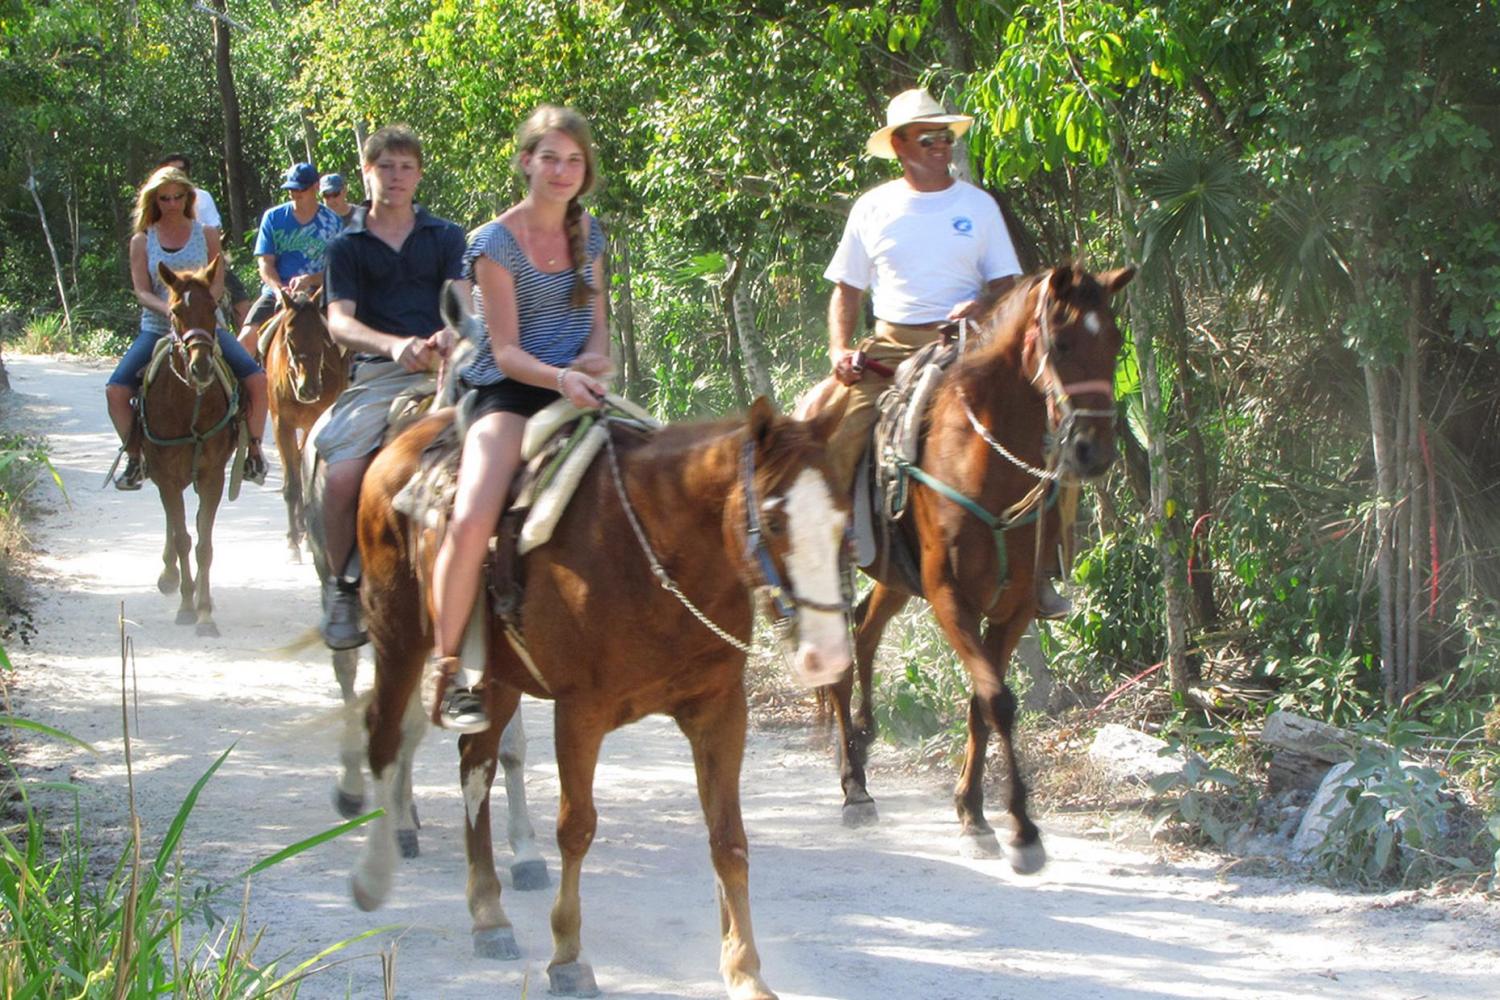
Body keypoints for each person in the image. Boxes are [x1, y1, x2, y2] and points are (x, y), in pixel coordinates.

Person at [822, 89, 1069, 617]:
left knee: (1052, 433)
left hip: (971, 344)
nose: (941, 147)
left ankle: (1045, 564)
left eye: (946, 137)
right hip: (892, 342)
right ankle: (834, 551)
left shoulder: (978, 206)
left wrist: (981, 306)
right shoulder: (873, 207)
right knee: (839, 429)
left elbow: (1008, 283)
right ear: (900, 145)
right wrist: (841, 347)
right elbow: (846, 289)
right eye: (929, 138)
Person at [424, 104, 610, 733]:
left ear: (586, 171)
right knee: (474, 514)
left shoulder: (594, 235)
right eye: (549, 158)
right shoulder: (492, 242)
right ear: (525, 161)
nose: (561, 171)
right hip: (507, 391)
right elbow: (503, 351)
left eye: (573, 160)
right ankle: (448, 666)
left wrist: (592, 364)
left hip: (577, 389)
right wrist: (564, 376)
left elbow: (601, 338)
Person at [314, 126, 467, 651]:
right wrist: (393, 345)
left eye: (406, 167)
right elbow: (339, 323)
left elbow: (463, 302)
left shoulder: (446, 236)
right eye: (385, 167)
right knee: (343, 476)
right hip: (379, 374)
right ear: (366, 172)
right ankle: (344, 582)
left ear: (419, 174)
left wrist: (452, 332)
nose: (396, 177)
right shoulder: (346, 247)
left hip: (449, 367)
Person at [105, 167, 269, 489]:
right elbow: (141, 290)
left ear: (188, 197)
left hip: (205, 326)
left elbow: (218, 281)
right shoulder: (142, 240)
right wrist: (170, 310)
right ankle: (136, 456)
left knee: (256, 379)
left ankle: (253, 452)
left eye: (178, 196)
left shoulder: (206, 234)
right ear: (154, 200)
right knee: (116, 390)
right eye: (164, 198)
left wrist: (200, 312)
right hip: (157, 327)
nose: (172, 203)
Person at [237, 162, 342, 355]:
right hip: (278, 293)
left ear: (316, 187)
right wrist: (279, 290)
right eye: (291, 189)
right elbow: (265, 263)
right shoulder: (273, 218)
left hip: (319, 293)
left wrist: (310, 280)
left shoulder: (333, 222)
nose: (295, 194)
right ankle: (243, 385)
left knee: (352, 340)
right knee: (244, 342)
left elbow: (338, 269)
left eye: (300, 188)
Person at [156, 152, 252, 329]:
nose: (177, 174)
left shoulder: (202, 197)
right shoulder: (156, 206)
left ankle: (248, 345)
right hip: (161, 311)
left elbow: (215, 231)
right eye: (171, 170)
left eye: (182, 170)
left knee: (241, 302)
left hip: (205, 265)